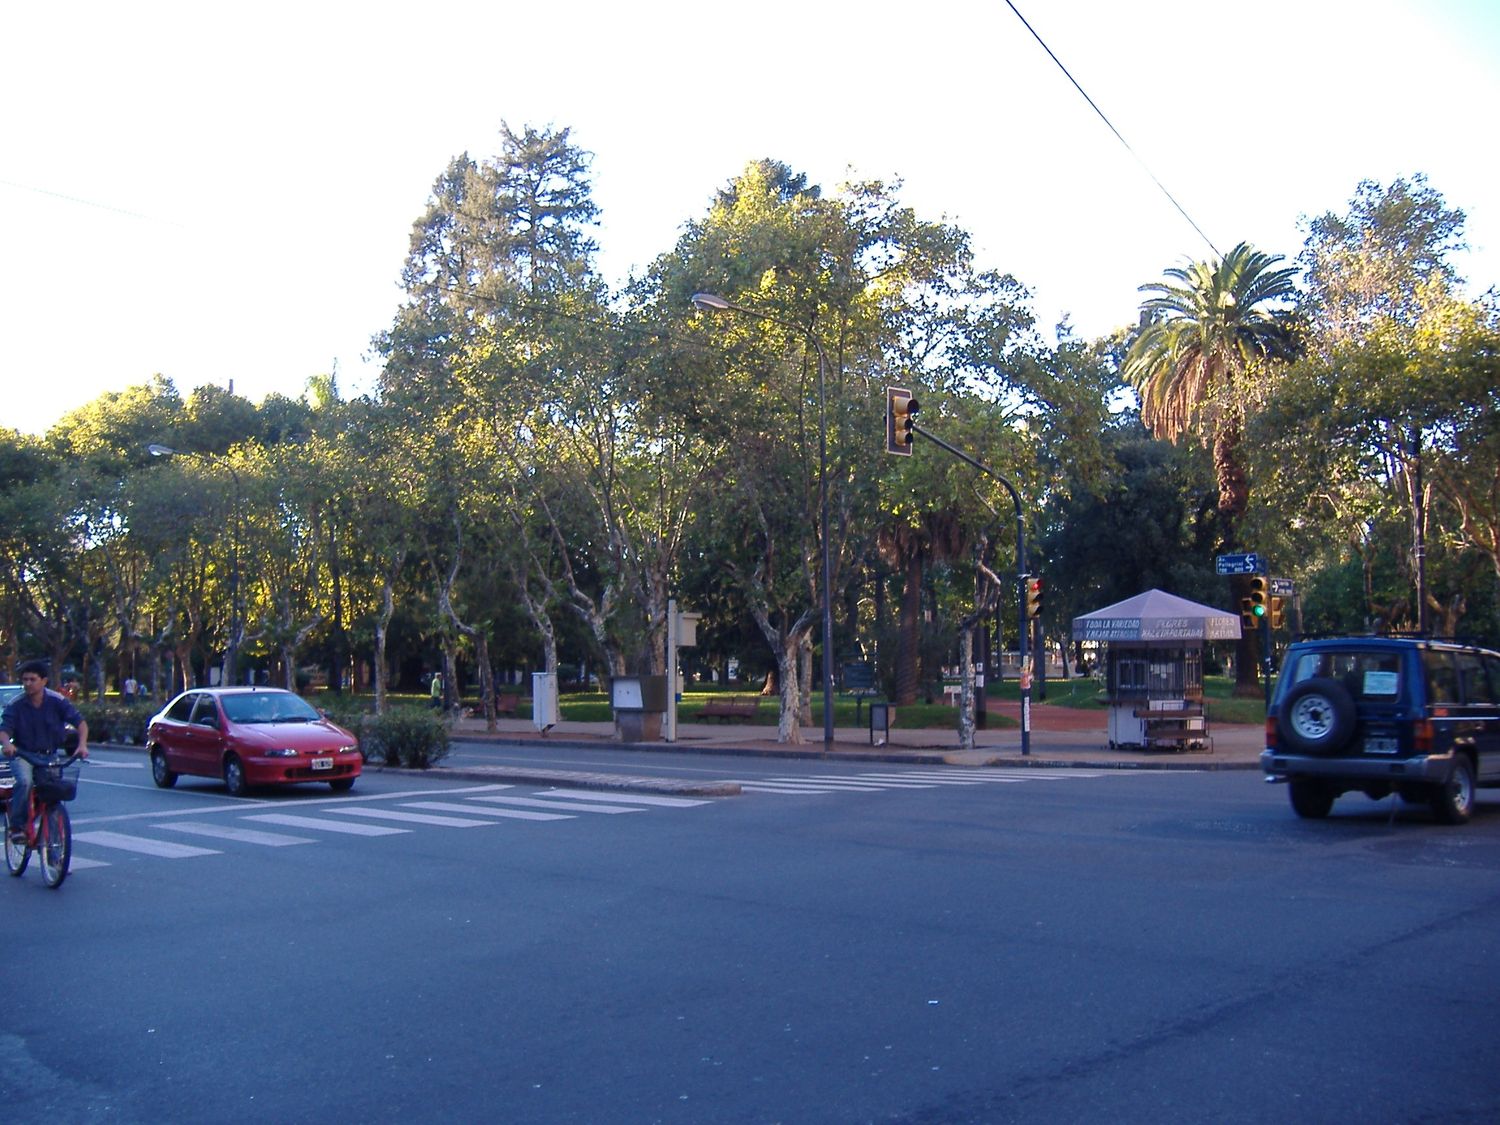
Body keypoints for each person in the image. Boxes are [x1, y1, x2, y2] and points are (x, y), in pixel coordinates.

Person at [2, 659, 89, 844]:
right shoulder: (16, 704)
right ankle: (17, 826)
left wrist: (82, 745)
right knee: (24, 783)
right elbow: (4, 730)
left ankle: (56, 852)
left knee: (53, 793)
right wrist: (7, 744)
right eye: (25, 679)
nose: (27, 683)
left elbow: (80, 723)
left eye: (32, 679)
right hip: (22, 754)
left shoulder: (57, 701)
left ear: (44, 681)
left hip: (49, 755)